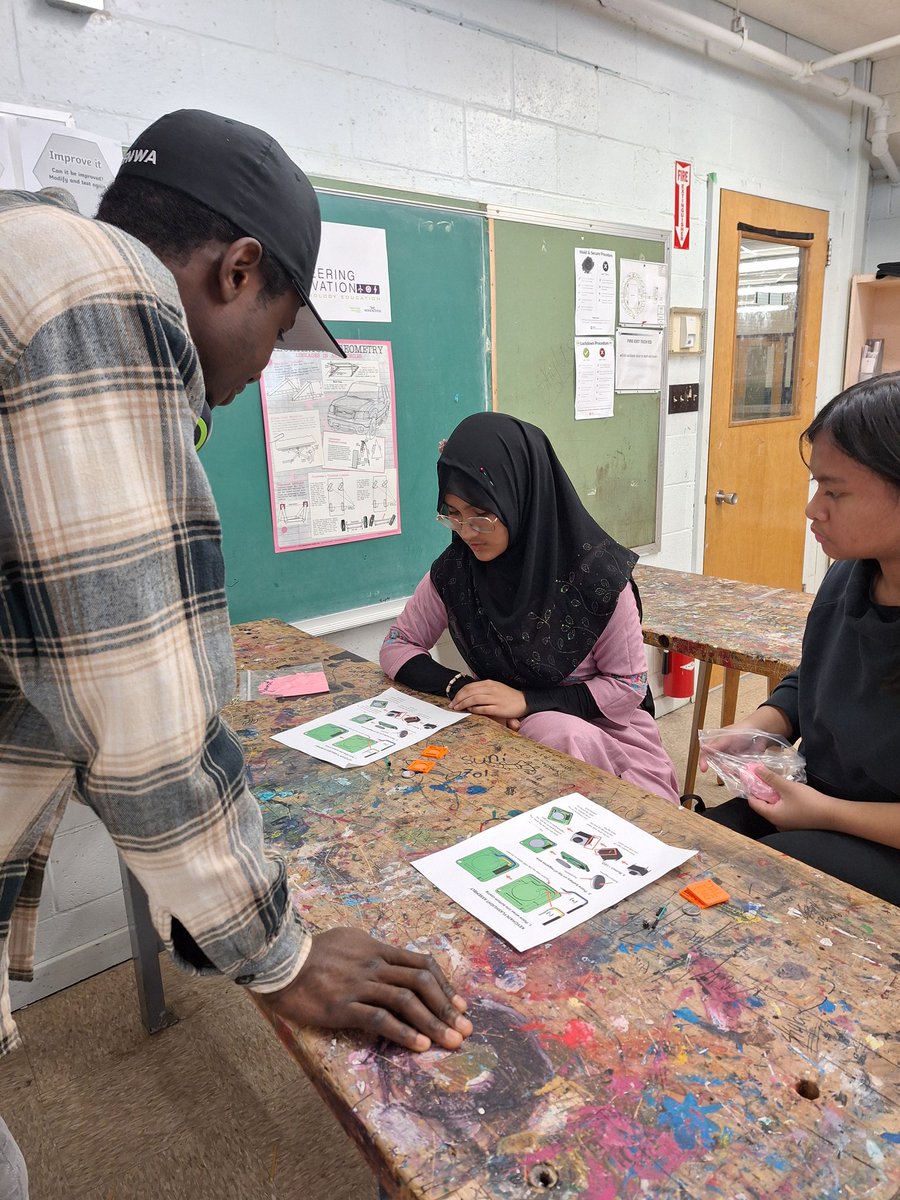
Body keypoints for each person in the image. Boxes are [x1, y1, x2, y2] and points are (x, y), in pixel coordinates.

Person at [0, 109, 472, 1121]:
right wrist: (279, 951)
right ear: (238, 269)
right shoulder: (102, 297)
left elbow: (56, 667)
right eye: (277, 325)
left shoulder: (25, 250)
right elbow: (137, 718)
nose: (267, 368)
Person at [380, 412, 679, 803]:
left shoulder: (598, 578)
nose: (468, 532)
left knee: (557, 731)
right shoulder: (457, 571)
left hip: (608, 744)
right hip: (509, 738)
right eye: (453, 515)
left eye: (481, 516)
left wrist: (527, 702)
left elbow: (628, 686)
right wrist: (465, 688)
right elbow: (397, 646)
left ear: (520, 497)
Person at [701, 373, 900, 905]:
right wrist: (757, 728)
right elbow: (814, 677)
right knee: (694, 841)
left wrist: (824, 813)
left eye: (835, 491)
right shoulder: (848, 576)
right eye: (817, 486)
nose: (814, 509)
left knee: (765, 881)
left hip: (879, 834)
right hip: (821, 800)